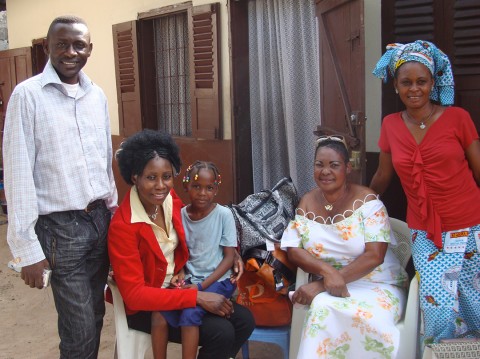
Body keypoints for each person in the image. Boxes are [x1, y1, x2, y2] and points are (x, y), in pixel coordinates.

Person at [2, 15, 117, 358]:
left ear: (89, 49)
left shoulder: (96, 95)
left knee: (96, 316)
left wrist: (114, 216)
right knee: (79, 328)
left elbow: (103, 160)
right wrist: (26, 250)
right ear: (48, 48)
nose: (70, 52)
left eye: (78, 45)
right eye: (61, 45)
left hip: (99, 219)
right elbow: (18, 173)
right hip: (59, 229)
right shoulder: (28, 96)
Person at [108, 129, 255, 359]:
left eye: (166, 176)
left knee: (245, 321)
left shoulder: (169, 201)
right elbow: (135, 294)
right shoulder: (123, 225)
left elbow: (197, 230)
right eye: (151, 177)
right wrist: (196, 296)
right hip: (151, 303)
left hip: (182, 285)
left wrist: (232, 254)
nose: (161, 186)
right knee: (222, 332)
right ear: (135, 177)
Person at [370, 40, 480, 346]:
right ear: (396, 86)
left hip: (470, 224)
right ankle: (441, 354)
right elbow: (383, 175)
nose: (414, 89)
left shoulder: (459, 118)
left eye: (421, 81)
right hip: (426, 231)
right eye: (406, 82)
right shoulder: (391, 125)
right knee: (437, 305)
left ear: (433, 83)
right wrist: (358, 202)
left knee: (474, 301)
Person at [282, 135, 408, 359]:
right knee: (323, 308)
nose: (325, 171)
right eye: (319, 165)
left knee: (366, 316)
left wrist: (322, 284)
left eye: (334, 165)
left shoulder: (368, 202)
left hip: (376, 283)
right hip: (330, 285)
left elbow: (375, 255)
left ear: (348, 168)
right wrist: (328, 273)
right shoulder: (307, 202)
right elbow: (294, 249)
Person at [150, 160, 237, 359]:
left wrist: (201, 286)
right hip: (190, 279)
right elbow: (179, 251)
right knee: (159, 313)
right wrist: (181, 273)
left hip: (218, 280)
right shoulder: (180, 215)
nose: (202, 193)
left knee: (190, 312)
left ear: (216, 189)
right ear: (186, 186)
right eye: (196, 186)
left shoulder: (224, 215)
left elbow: (229, 257)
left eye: (209, 188)